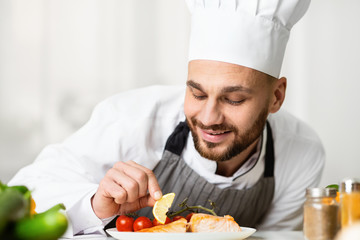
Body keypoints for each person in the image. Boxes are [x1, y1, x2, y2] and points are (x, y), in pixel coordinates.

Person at [9, 0, 324, 236]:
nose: (209, 117)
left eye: (234, 99)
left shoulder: (301, 154)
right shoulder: (134, 120)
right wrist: (94, 205)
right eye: (197, 94)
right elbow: (22, 193)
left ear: (276, 97)